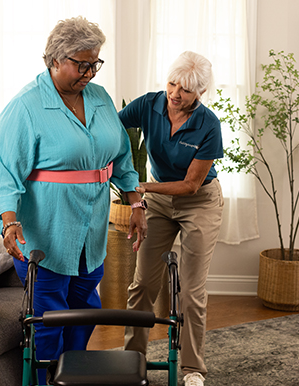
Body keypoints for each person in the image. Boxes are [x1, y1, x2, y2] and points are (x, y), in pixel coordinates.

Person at [0, 16, 147, 382]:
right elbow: (4, 173)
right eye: (82, 64)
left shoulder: (101, 99)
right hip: (46, 237)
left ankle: (72, 377)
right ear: (54, 59)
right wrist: (9, 220)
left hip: (90, 236)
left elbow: (122, 157)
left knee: (85, 313)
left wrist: (135, 201)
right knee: (47, 324)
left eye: (95, 63)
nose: (90, 72)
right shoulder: (25, 107)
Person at [119, 51, 224, 386]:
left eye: (187, 89)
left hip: (200, 202)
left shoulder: (208, 125)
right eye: (172, 83)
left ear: (201, 93)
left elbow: (192, 185)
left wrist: (142, 187)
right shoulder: (148, 105)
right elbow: (109, 126)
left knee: (192, 291)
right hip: (160, 203)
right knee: (143, 284)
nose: (176, 93)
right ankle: (131, 358)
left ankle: (193, 369)